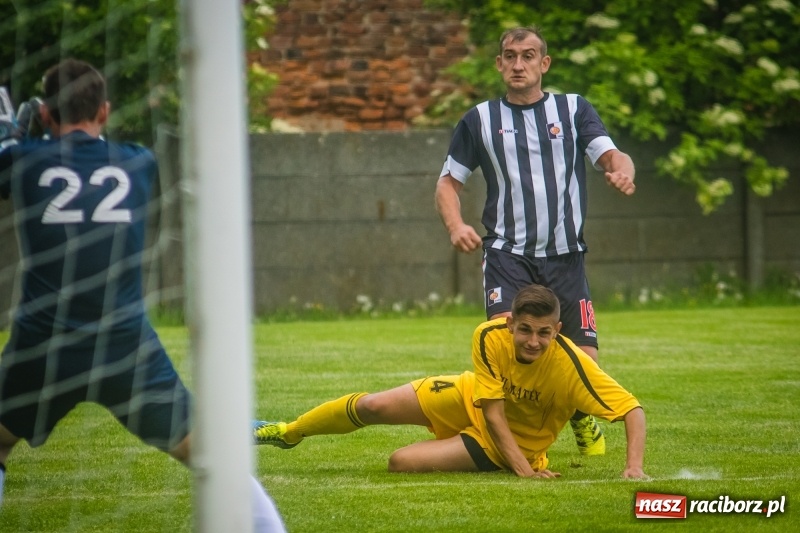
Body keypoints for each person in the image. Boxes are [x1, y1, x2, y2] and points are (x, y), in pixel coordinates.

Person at [0, 59, 285, 531]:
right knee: (210, 457)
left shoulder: (26, 160)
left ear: (46, 114)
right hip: (124, 343)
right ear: (105, 111)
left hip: (45, 341)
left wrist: (14, 141)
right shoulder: (138, 161)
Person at [434, 25, 637, 456]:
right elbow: (448, 182)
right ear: (499, 64)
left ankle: (579, 417)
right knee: (513, 345)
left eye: (528, 56)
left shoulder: (573, 109)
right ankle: (517, 444)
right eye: (510, 56)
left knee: (584, 362)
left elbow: (612, 155)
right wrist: (456, 226)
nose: (518, 64)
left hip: (566, 257)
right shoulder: (480, 119)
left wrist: (622, 172)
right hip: (507, 254)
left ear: (544, 64)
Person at [253, 284, 647, 480]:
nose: (533, 341)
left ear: (557, 330)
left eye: (544, 333)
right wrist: (525, 477)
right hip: (469, 397)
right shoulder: (488, 335)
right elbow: (492, 409)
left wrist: (633, 467)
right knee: (373, 405)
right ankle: (289, 431)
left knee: (399, 463)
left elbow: (632, 409)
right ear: (509, 324)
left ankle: (481, 452)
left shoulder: (573, 365)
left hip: (506, 444)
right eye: (525, 330)